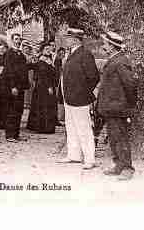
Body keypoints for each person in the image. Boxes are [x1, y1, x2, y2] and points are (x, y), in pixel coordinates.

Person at [57, 28, 100, 170]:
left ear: (75, 40)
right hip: (69, 99)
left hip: (80, 99)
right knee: (71, 127)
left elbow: (94, 77)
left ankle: (90, 159)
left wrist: (82, 92)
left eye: (68, 38)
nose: (66, 40)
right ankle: (74, 155)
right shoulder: (71, 54)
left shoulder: (85, 54)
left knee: (84, 129)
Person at [98, 32, 137, 181]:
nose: (103, 46)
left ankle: (127, 168)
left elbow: (131, 85)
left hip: (119, 108)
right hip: (111, 107)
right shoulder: (114, 59)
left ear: (112, 47)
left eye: (105, 44)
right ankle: (118, 165)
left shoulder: (121, 61)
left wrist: (128, 106)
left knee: (121, 138)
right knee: (114, 138)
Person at [26, 43, 58, 134]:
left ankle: (47, 126)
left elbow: (53, 73)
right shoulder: (41, 60)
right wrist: (49, 87)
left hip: (48, 85)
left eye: (49, 48)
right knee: (43, 106)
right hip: (43, 86)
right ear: (42, 50)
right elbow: (43, 75)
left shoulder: (49, 59)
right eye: (46, 49)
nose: (48, 50)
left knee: (48, 106)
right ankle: (43, 127)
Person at [4, 33, 30, 142]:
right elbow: (9, 71)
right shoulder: (9, 53)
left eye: (19, 39)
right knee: (12, 110)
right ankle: (10, 135)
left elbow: (24, 71)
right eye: (16, 39)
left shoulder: (22, 55)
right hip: (13, 87)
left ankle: (16, 134)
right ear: (12, 40)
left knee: (19, 110)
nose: (18, 41)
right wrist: (13, 86)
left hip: (21, 87)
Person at [0, 42, 9, 130]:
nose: (1, 50)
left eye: (3, 49)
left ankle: (4, 122)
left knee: (5, 103)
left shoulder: (8, 58)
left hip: (5, 83)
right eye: (0, 49)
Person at [54, 47, 66, 124]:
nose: (62, 55)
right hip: (57, 81)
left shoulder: (63, 60)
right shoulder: (57, 60)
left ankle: (60, 117)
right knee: (58, 98)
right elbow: (57, 71)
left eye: (63, 53)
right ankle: (58, 117)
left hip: (62, 80)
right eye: (61, 53)